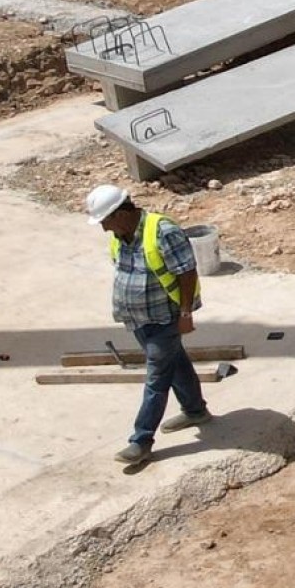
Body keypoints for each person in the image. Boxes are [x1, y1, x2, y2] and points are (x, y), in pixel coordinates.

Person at [87, 183, 206, 471]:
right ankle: (195, 410)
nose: (104, 229)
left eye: (105, 221)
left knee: (157, 378)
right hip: (139, 319)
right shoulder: (120, 235)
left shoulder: (163, 231)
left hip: (164, 319)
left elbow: (186, 271)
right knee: (175, 362)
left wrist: (185, 312)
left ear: (120, 213)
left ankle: (141, 441)